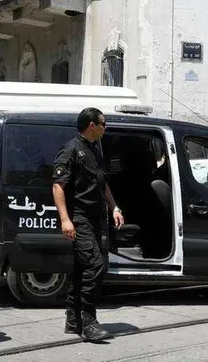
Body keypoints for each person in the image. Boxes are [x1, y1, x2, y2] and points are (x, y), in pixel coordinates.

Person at [52, 107, 125, 342]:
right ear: (92, 125)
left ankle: (73, 319)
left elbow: (102, 183)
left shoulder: (95, 149)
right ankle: (88, 321)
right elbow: (58, 186)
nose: (106, 128)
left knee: (82, 268)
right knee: (94, 266)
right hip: (79, 218)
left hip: (95, 218)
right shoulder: (71, 149)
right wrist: (65, 219)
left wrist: (114, 207)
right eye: (103, 124)